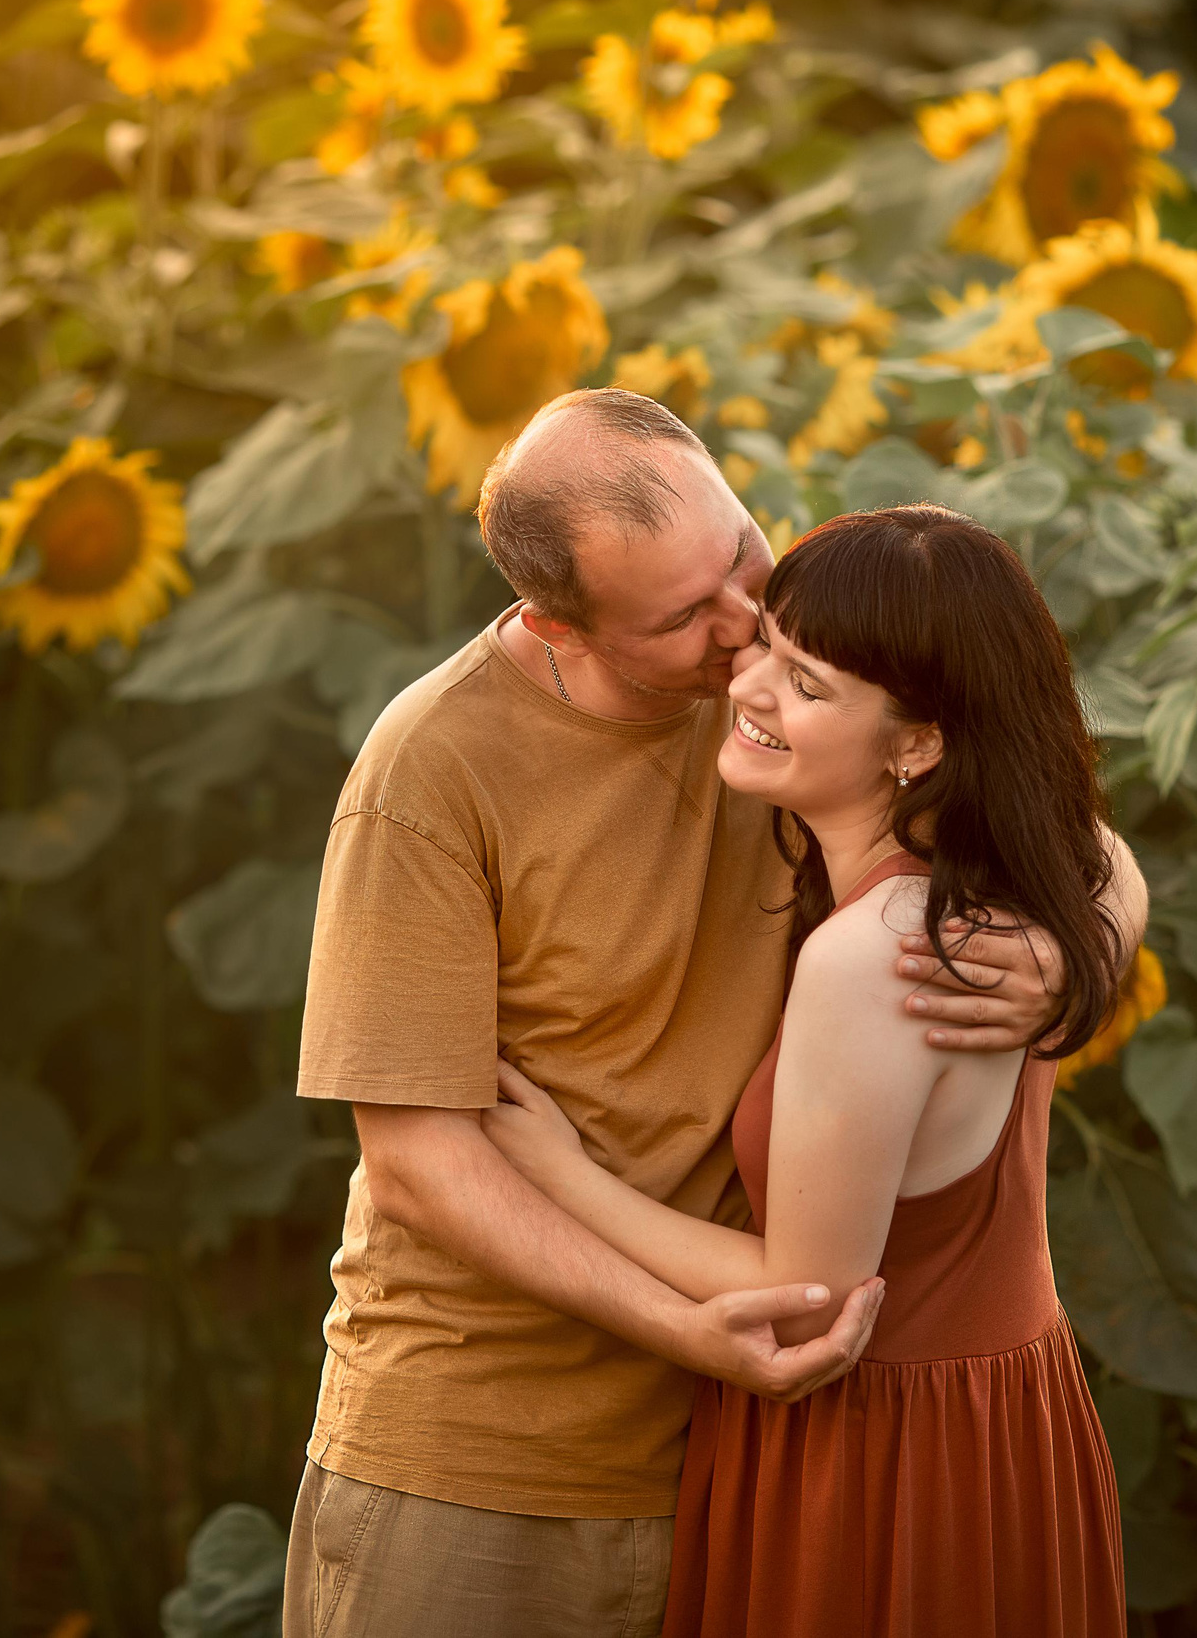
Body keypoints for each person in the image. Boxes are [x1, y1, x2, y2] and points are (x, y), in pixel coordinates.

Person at [287, 389, 1144, 1637]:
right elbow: (419, 1161)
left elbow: (1049, 810)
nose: (743, 629)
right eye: (684, 616)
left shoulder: (800, 689)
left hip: (758, 1443)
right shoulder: (435, 769)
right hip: (497, 1456)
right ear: (560, 625)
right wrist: (699, 1334)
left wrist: (1081, 947)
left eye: (742, 555)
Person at [483, 502, 1128, 1638]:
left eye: (807, 684)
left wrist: (560, 1172)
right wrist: (1099, 945)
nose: (748, 687)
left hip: (879, 1453)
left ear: (917, 745)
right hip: (995, 1416)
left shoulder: (871, 954)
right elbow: (1109, 853)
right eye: (767, 647)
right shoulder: (1022, 880)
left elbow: (815, 1300)